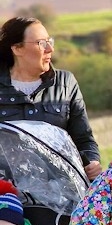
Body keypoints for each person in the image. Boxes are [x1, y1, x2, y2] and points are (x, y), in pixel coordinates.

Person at [0, 16, 102, 181]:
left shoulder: (66, 83)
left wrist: (92, 162)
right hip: (8, 195)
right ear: (17, 48)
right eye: (41, 43)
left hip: (61, 193)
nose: (50, 49)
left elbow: (84, 139)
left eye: (49, 41)